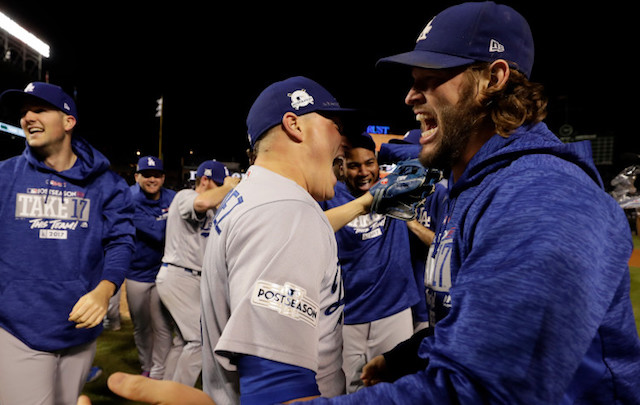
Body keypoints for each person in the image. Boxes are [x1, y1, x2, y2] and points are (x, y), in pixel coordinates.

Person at [199, 75, 354, 404]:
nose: (344, 142)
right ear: (294, 125)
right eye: (336, 125)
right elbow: (276, 390)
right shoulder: (287, 211)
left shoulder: (255, 196)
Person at [0, 81, 135, 405]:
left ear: (68, 120)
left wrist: (104, 291)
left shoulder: (107, 184)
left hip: (80, 330)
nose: (28, 117)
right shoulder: (5, 176)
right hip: (18, 329)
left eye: (39, 109)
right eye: (23, 113)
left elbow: (120, 242)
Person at [318, 132, 420, 393]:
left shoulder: (394, 187)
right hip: (349, 315)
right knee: (352, 389)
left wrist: (382, 150)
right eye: (354, 165)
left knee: (398, 387)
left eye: (369, 163)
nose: (363, 172)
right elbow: (313, 228)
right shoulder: (331, 195)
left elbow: (423, 155)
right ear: (341, 167)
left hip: (393, 310)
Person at [156, 159, 239, 387]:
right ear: (204, 179)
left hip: (191, 278)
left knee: (183, 341)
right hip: (179, 275)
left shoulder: (214, 207)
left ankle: (164, 391)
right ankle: (178, 398)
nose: (223, 188)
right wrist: (229, 186)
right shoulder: (184, 196)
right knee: (199, 339)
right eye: (219, 184)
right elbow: (201, 202)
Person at [126, 155, 177, 379]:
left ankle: (159, 370)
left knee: (163, 327)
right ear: (137, 177)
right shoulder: (128, 198)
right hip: (137, 272)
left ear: (163, 177)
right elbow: (157, 234)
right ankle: (146, 365)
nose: (152, 179)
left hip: (164, 272)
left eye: (156, 175)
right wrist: (171, 221)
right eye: (147, 175)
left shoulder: (173, 197)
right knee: (142, 326)